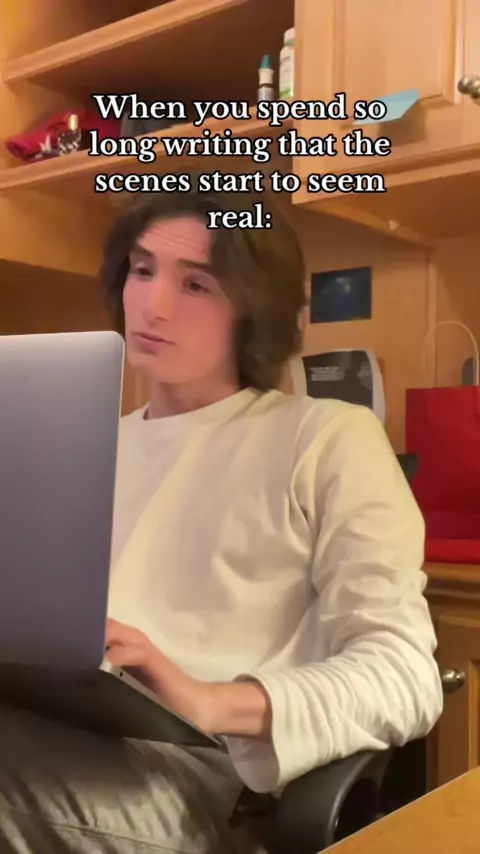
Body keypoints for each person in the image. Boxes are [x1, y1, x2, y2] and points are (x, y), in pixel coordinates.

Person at [0, 190, 443, 853]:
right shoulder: (80, 440)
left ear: (253, 308)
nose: (154, 304)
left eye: (196, 284)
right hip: (49, 730)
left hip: (201, 780)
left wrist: (208, 698)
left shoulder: (326, 438)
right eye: (142, 270)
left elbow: (404, 674)